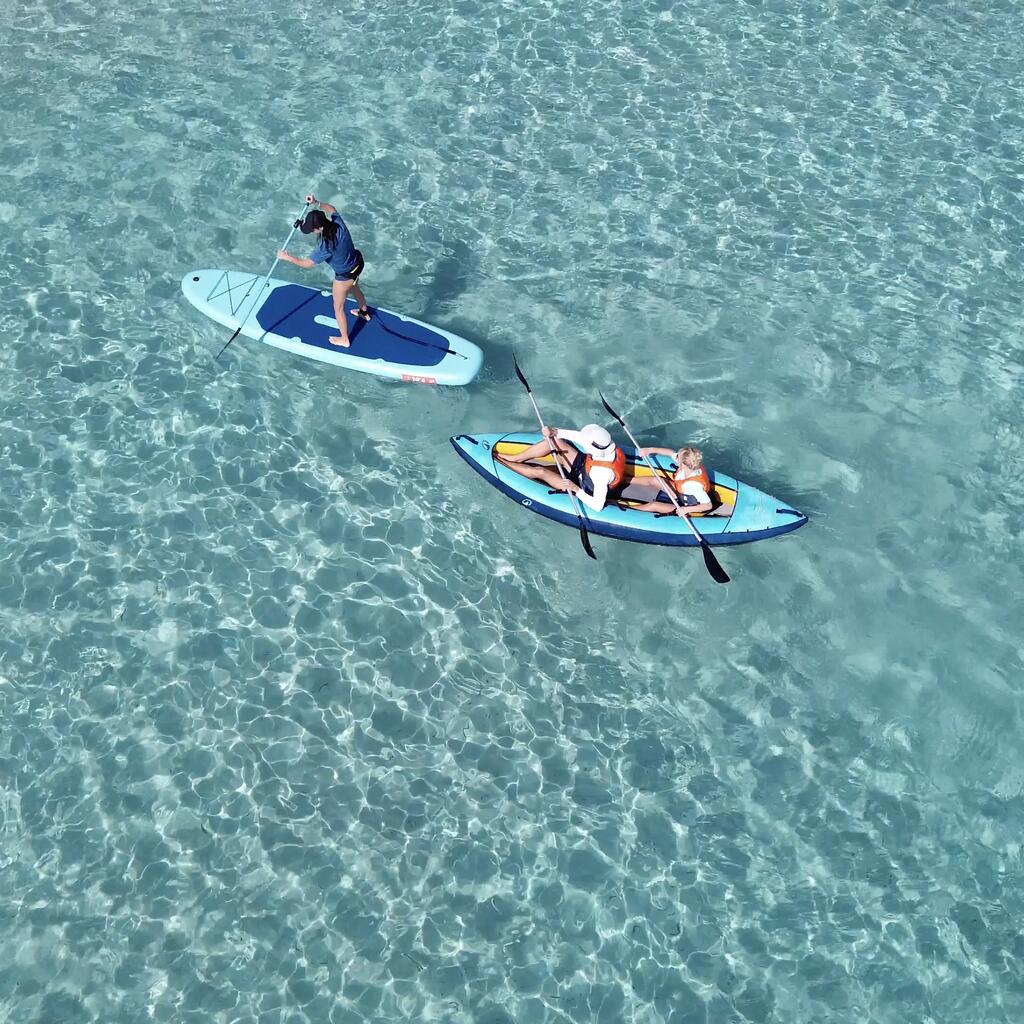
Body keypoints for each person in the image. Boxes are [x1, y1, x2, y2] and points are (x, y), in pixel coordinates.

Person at [277, 195, 370, 348]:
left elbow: (307, 264)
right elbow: (331, 208)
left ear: (319, 228)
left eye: (312, 229)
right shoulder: (338, 223)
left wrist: (287, 257)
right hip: (357, 265)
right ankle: (364, 313)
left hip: (344, 277)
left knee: (338, 308)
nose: (311, 231)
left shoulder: (326, 246)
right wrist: (316, 202)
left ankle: (344, 339)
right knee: (355, 288)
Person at [497, 423, 626, 512]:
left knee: (540, 472)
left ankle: (501, 462)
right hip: (585, 467)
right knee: (554, 441)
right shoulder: (607, 447)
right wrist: (554, 432)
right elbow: (579, 437)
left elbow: (598, 506)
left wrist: (575, 488)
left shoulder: (601, 474)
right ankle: (515, 458)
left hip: (583, 486)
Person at [632, 446, 713, 517]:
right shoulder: (689, 464)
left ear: (683, 463)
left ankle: (628, 509)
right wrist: (650, 450)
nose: (676, 457)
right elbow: (670, 452)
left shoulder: (693, 485)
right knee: (655, 480)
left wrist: (685, 510)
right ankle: (627, 480)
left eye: (678, 457)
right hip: (681, 495)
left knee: (654, 505)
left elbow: (708, 505)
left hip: (689, 508)